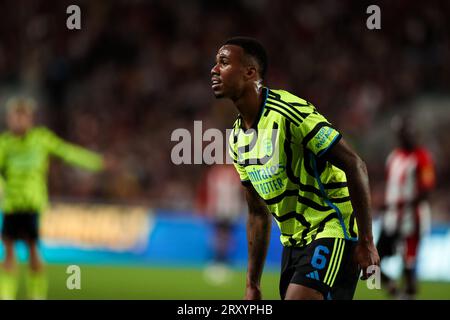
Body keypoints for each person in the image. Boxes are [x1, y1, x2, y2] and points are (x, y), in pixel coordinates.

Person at [210, 37, 379, 300]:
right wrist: (252, 283)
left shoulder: (289, 112)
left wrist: (366, 241)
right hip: (293, 243)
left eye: (223, 62)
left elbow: (354, 164)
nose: (214, 70)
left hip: (332, 229)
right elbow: (257, 213)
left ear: (250, 72)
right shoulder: (236, 139)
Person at [0, 97, 104, 299]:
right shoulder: (4, 143)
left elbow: (68, 152)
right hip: (11, 203)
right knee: (9, 249)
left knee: (32, 249)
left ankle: (37, 294)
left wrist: (96, 162)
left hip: (31, 202)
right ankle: (6, 295)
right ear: (9, 119)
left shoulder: (41, 139)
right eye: (15, 117)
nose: (18, 121)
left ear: (30, 119)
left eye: (23, 117)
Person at [377, 116, 435, 300]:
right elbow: (390, 187)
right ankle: (394, 289)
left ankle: (408, 294)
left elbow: (427, 189)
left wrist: (401, 204)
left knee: (409, 262)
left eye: (409, 133)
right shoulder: (393, 158)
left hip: (413, 219)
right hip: (391, 218)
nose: (407, 137)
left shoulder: (422, 157)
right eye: (403, 133)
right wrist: (387, 204)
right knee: (373, 263)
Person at [196, 164, 245, 284]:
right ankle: (218, 259)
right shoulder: (215, 172)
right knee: (219, 236)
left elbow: (241, 192)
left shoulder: (236, 172)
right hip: (218, 210)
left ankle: (224, 260)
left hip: (232, 210)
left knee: (227, 236)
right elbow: (209, 191)